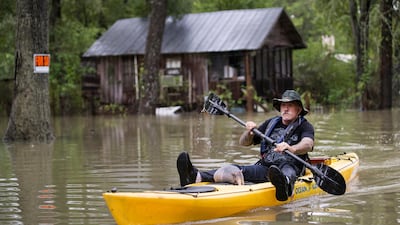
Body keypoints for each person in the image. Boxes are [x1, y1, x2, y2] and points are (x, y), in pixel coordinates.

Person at [177, 90, 314, 201]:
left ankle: (284, 185)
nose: (285, 108)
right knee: (236, 169)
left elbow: (308, 144)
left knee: (286, 171)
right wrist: (248, 132)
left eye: (290, 105)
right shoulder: (271, 123)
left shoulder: (304, 126)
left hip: (290, 165)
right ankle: (196, 176)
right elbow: (244, 143)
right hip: (267, 168)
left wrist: (292, 148)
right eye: (283, 105)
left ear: (298, 109)